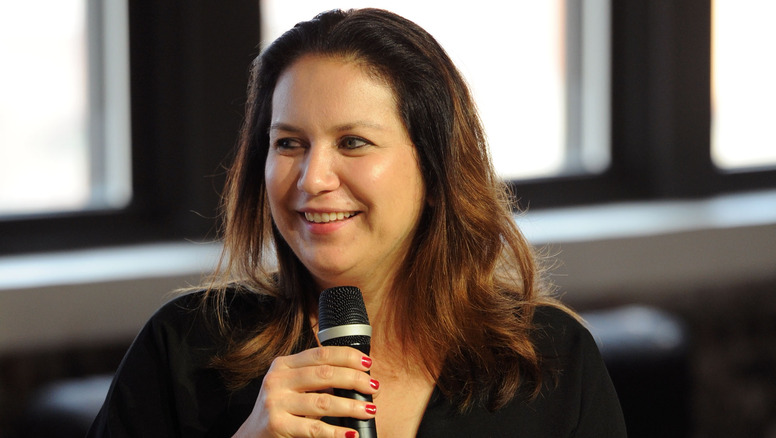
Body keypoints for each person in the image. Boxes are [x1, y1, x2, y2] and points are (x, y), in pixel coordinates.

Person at [88, 8, 626, 438]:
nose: (313, 178)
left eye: (353, 143)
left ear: (435, 171)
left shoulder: (551, 361)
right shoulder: (182, 349)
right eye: (288, 143)